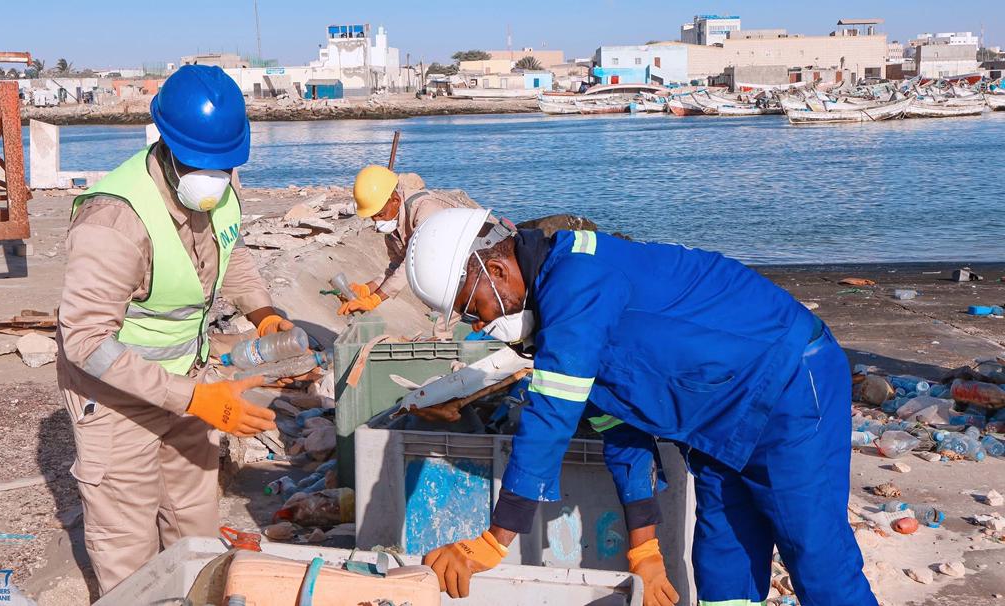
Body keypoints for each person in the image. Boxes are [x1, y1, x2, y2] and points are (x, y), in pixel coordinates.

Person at [406, 209, 876, 606]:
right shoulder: (557, 323)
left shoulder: (578, 282)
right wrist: (644, 550)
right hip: (714, 420)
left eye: (474, 308)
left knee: (816, 552)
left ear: (498, 270)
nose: (481, 325)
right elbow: (621, 433)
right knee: (721, 562)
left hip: (788, 384)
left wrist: (496, 539)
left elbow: (550, 417)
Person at [56, 65, 288, 593]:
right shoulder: (115, 219)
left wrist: (263, 312)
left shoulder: (217, 186)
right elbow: (86, 342)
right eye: (202, 163)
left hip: (189, 381)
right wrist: (193, 398)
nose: (215, 176)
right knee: (129, 546)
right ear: (166, 143)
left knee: (194, 523)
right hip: (117, 396)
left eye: (223, 164)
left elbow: (232, 250)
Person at [337, 165, 479, 315]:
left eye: (380, 214)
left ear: (395, 200)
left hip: (481, 268)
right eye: (372, 217)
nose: (377, 222)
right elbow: (396, 267)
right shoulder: (393, 230)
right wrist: (367, 289)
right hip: (455, 279)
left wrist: (375, 299)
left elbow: (414, 262)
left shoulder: (425, 209)